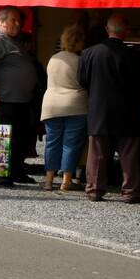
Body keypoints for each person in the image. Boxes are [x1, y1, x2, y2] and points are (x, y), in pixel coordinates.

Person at [78, 13, 140, 203]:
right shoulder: (135, 55)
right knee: (129, 154)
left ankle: (95, 190)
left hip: (99, 109)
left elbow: (82, 80)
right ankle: (130, 192)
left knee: (98, 154)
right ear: (126, 31)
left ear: (106, 30)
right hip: (128, 110)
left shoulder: (89, 53)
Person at [0, 6, 38, 186]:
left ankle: (16, 171)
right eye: (13, 20)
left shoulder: (16, 39)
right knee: (1, 138)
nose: (18, 24)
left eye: (19, 20)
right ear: (2, 21)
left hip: (20, 99)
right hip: (4, 99)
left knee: (21, 138)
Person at [41, 25, 88, 192]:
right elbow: (86, 82)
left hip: (51, 104)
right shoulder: (81, 61)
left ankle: (48, 180)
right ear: (78, 41)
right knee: (71, 144)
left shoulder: (54, 59)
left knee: (52, 143)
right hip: (75, 105)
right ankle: (66, 181)